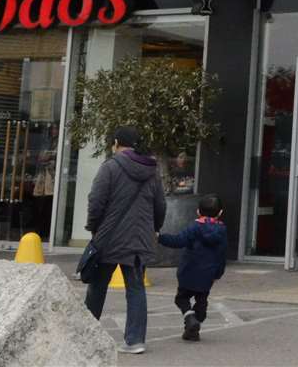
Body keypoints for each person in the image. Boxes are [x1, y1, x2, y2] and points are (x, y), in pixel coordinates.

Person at [84, 125, 167, 355]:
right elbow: (160, 205)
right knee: (136, 287)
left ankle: (85, 333)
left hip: (110, 237)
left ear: (117, 143)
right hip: (139, 238)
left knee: (98, 286)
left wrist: (94, 227)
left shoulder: (110, 168)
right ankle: (135, 340)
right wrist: (155, 228)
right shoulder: (152, 170)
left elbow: (96, 201)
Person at [157, 194, 228, 343]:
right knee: (202, 300)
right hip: (208, 274)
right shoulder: (222, 231)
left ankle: (190, 318)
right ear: (220, 213)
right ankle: (193, 328)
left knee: (181, 298)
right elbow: (222, 255)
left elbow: (178, 241)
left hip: (188, 271)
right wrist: (218, 273)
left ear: (198, 211)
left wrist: (160, 237)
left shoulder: (195, 227)